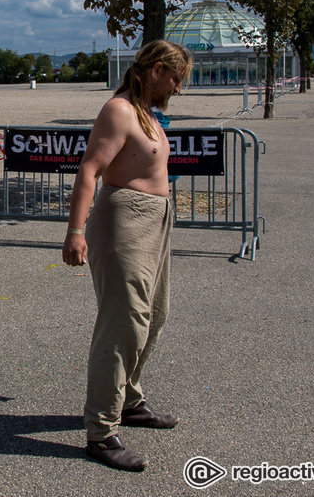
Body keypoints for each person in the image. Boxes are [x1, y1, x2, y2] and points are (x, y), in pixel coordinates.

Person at [62, 40, 193, 472]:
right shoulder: (118, 110)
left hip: (156, 220)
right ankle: (101, 432)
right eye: (176, 78)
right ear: (157, 70)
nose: (177, 88)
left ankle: (129, 400)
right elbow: (89, 169)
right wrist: (75, 232)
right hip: (126, 219)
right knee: (123, 325)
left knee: (154, 315)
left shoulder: (146, 113)